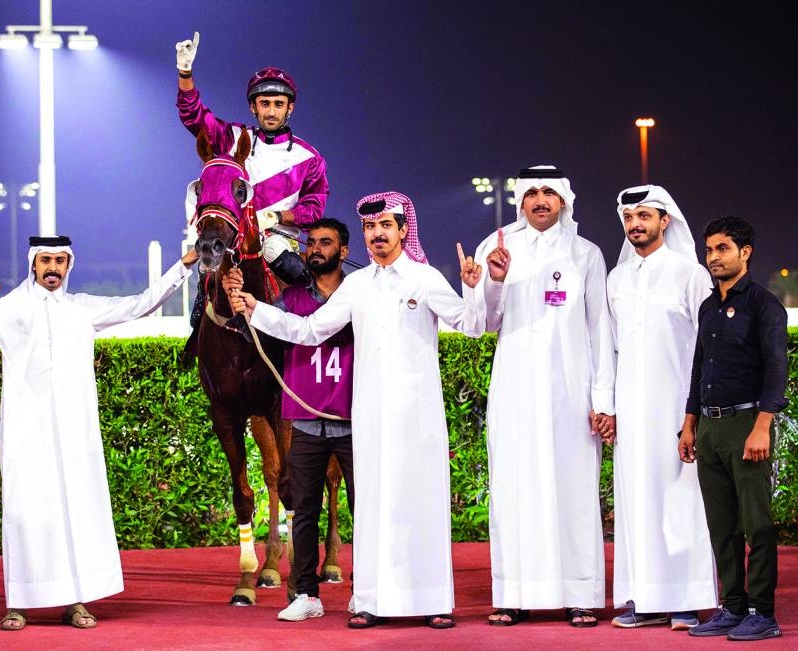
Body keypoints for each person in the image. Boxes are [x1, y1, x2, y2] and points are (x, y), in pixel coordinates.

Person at [229, 191, 483, 630]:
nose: (377, 234)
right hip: (369, 418)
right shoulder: (357, 286)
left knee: (422, 505)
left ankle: (434, 599)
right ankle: (370, 599)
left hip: (419, 419)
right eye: (369, 227)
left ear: (404, 231)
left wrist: (480, 287)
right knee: (373, 508)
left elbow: (473, 324)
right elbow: (309, 331)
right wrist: (256, 310)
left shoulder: (424, 279)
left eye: (386, 226)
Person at [0, 236, 199, 631]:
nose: (53, 267)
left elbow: (140, 304)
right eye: (46, 260)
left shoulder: (81, 308)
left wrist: (183, 266)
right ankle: (19, 603)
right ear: (34, 264)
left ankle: (76, 601)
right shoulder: (12, 308)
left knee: (75, 514)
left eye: (60, 261)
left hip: (74, 434)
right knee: (26, 515)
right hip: (25, 434)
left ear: (69, 266)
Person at [474, 165, 615, 628]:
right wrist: (493, 280)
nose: (539, 200)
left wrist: (602, 399)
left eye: (548, 193)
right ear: (520, 201)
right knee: (514, 489)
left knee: (574, 488)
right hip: (514, 389)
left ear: (563, 201)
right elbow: (484, 323)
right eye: (531, 192)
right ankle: (514, 594)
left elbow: (601, 330)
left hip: (571, 392)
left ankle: (580, 594)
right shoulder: (496, 247)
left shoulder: (586, 254)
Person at [225, 218, 356, 622]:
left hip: (353, 419)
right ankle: (305, 593)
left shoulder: (362, 293)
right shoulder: (290, 300)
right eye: (311, 243)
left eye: (326, 242)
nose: (316, 249)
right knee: (302, 509)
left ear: (344, 251)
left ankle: (368, 590)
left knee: (366, 510)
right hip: (303, 420)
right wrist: (239, 303)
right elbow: (258, 329)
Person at [606, 185, 717, 630]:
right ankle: (646, 599)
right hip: (632, 411)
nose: (635, 224)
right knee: (636, 502)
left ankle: (686, 599)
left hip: (679, 410)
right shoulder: (617, 279)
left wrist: (698, 411)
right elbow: (610, 350)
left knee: (681, 501)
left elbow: (710, 347)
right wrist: (607, 405)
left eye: (644, 216)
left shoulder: (690, 274)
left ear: (664, 220)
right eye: (628, 217)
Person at [679, 216, 788, 642]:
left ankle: (763, 613)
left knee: (756, 524)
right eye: (709, 250)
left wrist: (763, 425)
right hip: (710, 427)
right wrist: (689, 425)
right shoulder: (708, 307)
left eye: (722, 249)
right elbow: (698, 369)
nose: (713, 258)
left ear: (745, 252)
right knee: (721, 525)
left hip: (747, 424)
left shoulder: (763, 305)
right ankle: (733, 607)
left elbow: (776, 369)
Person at [175, 31, 329, 328]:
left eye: (278, 104)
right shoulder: (231, 138)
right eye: (264, 103)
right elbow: (193, 116)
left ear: (289, 108)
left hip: (276, 241)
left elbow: (314, 210)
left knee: (303, 279)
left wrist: (276, 216)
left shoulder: (310, 158)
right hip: (232, 239)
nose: (271, 111)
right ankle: (199, 324)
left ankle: (317, 326)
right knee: (210, 263)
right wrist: (185, 74)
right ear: (253, 107)